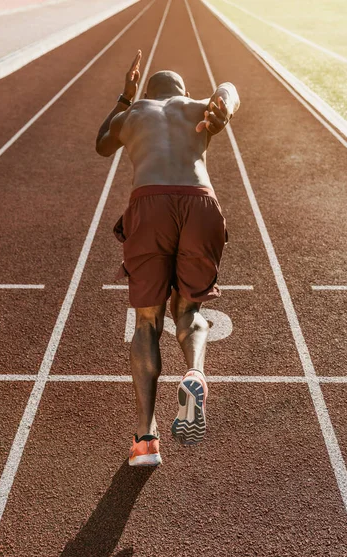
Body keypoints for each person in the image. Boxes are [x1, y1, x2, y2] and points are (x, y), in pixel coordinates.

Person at [96, 50, 240, 467]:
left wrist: (124, 97)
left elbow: (101, 145)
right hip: (200, 203)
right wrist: (223, 107)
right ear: (183, 92)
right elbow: (230, 90)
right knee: (190, 309)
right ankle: (195, 371)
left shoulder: (133, 113)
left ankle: (145, 440)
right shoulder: (198, 107)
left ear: (147, 93)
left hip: (149, 203)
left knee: (147, 321)